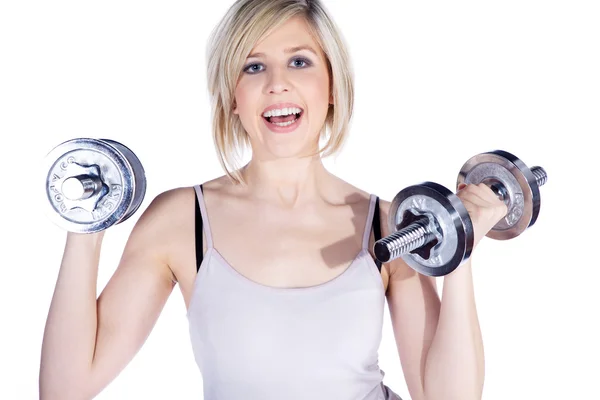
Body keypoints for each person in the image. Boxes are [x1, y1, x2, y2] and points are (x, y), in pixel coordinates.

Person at [39, 0, 507, 399]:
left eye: (299, 62)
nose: (277, 83)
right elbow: (66, 387)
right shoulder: (182, 221)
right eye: (254, 66)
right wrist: (84, 228)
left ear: (331, 86)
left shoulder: (389, 225)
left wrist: (459, 248)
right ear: (232, 97)